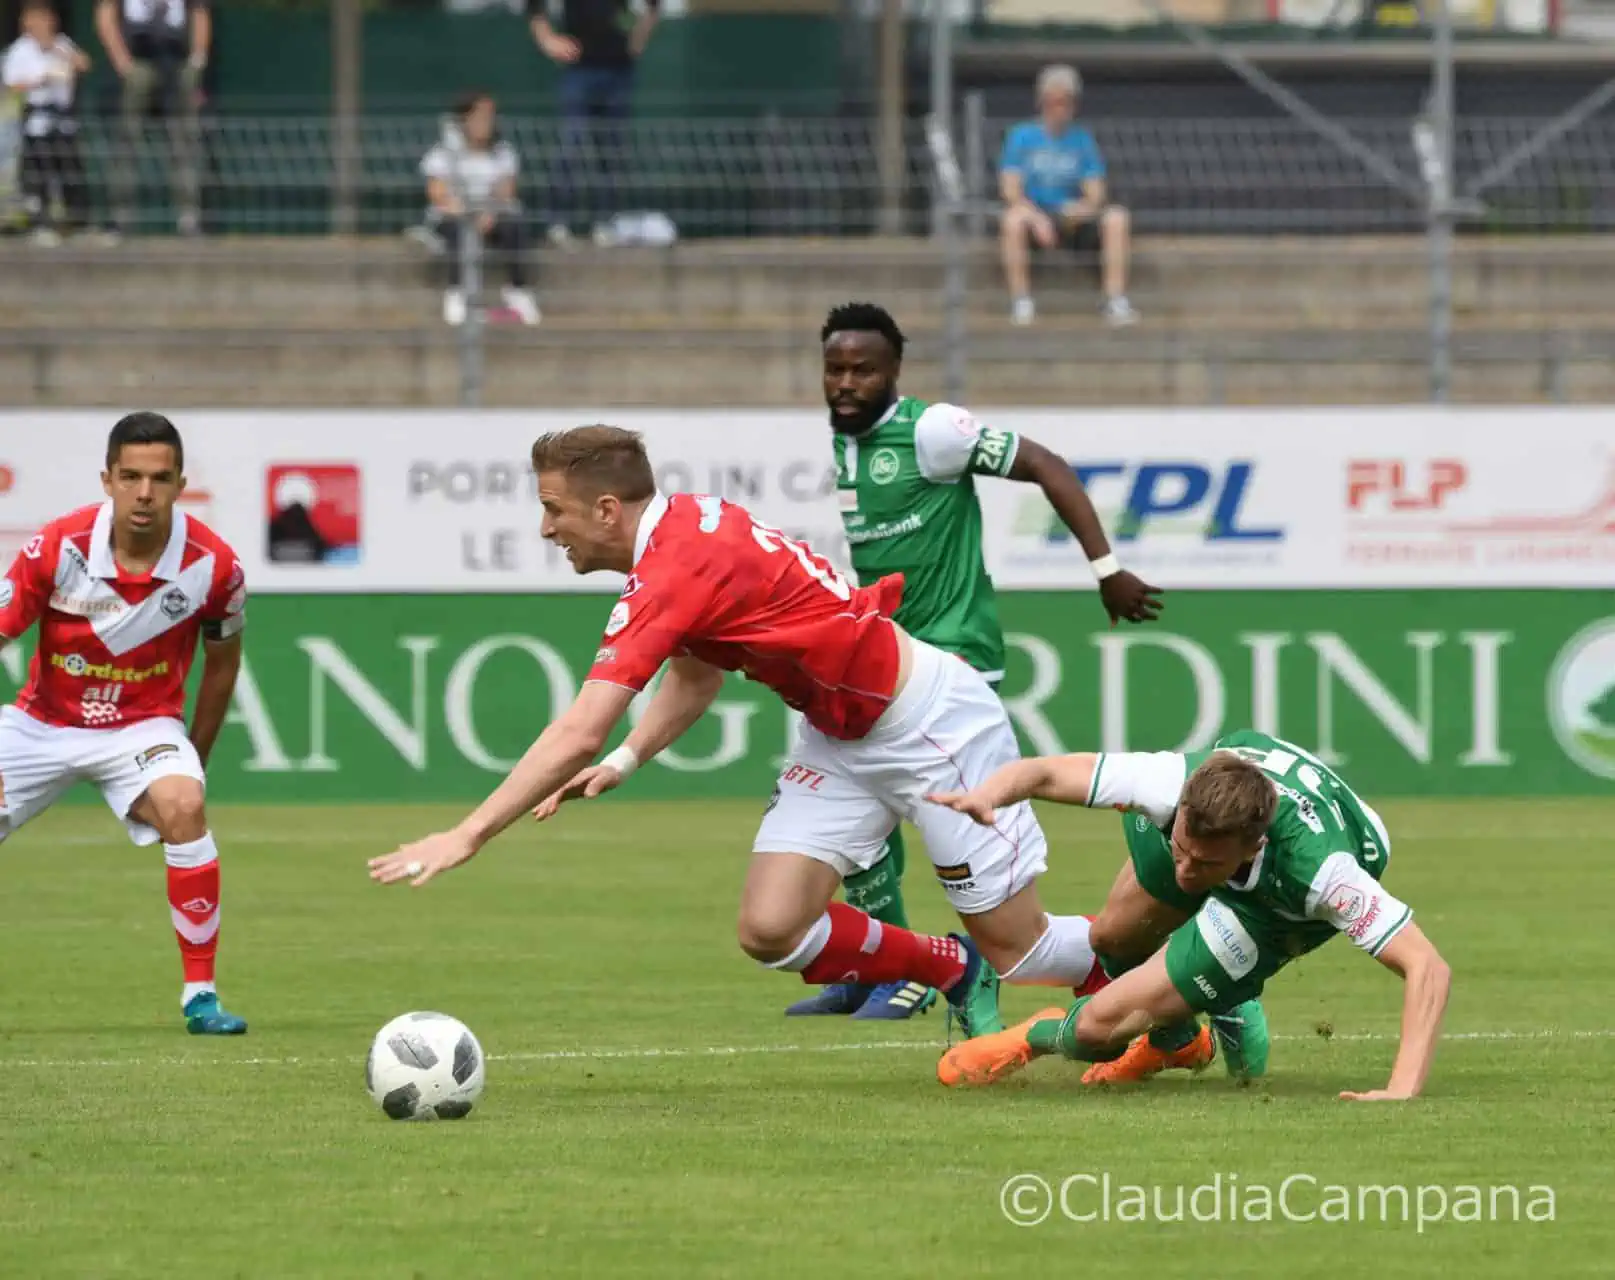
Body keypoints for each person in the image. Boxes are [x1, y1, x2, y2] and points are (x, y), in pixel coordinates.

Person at [370, 426, 1115, 1039]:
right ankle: (946, 965)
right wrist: (630, 758)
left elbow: (576, 731)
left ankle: (1188, 978)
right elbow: (696, 675)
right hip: (841, 736)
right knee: (771, 927)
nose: (544, 528)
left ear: (604, 510)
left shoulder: (672, 568)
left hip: (928, 726)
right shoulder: (687, 529)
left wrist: (466, 834)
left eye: (552, 509)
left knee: (1023, 948)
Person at [784, 301, 1164, 1023]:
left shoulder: (930, 431)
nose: (844, 382)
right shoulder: (846, 444)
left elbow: (1046, 465)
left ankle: (959, 971)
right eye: (834, 368)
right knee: (849, 822)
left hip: (951, 664)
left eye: (862, 369)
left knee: (950, 837)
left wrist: (1106, 568)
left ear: (894, 372)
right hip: (882, 664)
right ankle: (882, 972)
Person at [930, 730, 1452, 1101]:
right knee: (1110, 939)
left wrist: (1400, 1090)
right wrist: (987, 795)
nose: (1184, 870)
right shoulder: (1166, 785)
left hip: (1274, 909)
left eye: (1204, 862)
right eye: (1180, 846)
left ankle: (1038, 1034)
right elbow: (1045, 773)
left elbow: (1428, 968)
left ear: (1253, 846)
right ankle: (1178, 1038)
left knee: (1092, 1030)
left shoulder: (1323, 875)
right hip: (1223, 806)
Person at [0, 412, 248, 1035]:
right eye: (130, 477)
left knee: (185, 805)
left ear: (180, 483)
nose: (144, 494)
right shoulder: (57, 546)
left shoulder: (214, 568)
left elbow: (221, 668)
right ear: (107, 479)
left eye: (160, 479)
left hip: (141, 729)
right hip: (41, 722)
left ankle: (201, 997)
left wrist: (195, 755)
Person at [998, 64, 1138, 328]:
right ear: (1042, 102)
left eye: (1066, 102)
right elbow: (1010, 190)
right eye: (1054, 102)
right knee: (1012, 220)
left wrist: (1083, 208)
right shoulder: (1021, 137)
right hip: (1035, 212)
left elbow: (1096, 191)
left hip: (1071, 213)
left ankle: (1114, 299)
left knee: (1117, 217)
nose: (1060, 109)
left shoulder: (1081, 140)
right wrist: (1036, 217)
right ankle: (1021, 300)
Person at [527, 0, 658, 245]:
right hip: (579, 70)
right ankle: (557, 222)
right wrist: (547, 40)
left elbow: (653, 7)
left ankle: (606, 222)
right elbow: (534, 7)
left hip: (619, 72)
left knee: (612, 150)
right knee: (571, 144)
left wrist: (638, 38)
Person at [420, 91, 541, 327]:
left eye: (490, 116)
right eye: (479, 115)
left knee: (513, 227)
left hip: (492, 215)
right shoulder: (444, 153)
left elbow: (507, 191)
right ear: (464, 119)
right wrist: (467, 216)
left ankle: (518, 293)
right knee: (457, 233)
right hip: (454, 216)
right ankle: (457, 295)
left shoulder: (503, 152)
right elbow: (437, 193)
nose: (486, 122)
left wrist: (490, 214)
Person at [95, 0, 209, 236]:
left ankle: (189, 220)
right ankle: (121, 219)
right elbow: (105, 13)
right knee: (126, 143)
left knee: (184, 146)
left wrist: (196, 63)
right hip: (137, 59)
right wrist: (123, 63)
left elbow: (200, 13)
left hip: (176, 62)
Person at [2, 0, 94, 243]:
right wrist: (40, 79)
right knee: (38, 176)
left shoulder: (63, 44)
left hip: (63, 122)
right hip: (37, 123)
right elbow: (12, 85)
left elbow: (84, 64)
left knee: (70, 174)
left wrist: (60, 51)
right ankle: (40, 224)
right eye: (35, 19)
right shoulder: (19, 50)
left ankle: (76, 224)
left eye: (45, 19)